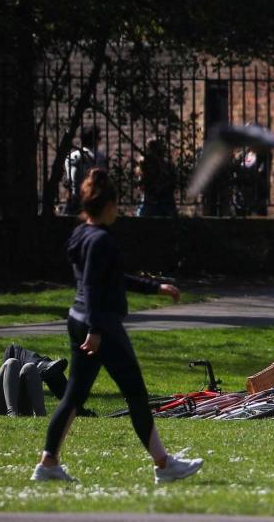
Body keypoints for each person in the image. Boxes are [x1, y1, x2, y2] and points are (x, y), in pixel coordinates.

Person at [34, 168, 203, 484]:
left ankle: (48, 462)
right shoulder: (102, 240)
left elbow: (107, 279)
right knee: (136, 394)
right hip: (102, 327)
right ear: (108, 205)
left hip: (78, 318)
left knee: (74, 396)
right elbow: (98, 287)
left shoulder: (80, 234)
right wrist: (97, 330)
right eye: (116, 205)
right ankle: (165, 465)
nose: (120, 211)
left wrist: (155, 288)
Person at [63, 125, 109, 215]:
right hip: (94, 202)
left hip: (75, 202)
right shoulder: (100, 157)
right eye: (99, 138)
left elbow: (71, 180)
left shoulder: (72, 157)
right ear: (95, 140)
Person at [135, 137, 178, 217]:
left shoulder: (168, 166)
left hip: (165, 204)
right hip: (151, 203)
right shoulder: (145, 165)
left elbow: (172, 184)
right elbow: (143, 186)